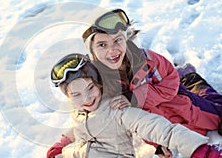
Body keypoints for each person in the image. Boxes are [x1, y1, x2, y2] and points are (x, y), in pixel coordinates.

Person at [48, 53, 222, 158]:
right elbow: (81, 126)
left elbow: (160, 129)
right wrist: (64, 141)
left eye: (90, 88)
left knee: (213, 112)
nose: (86, 99)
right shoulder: (79, 110)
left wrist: (204, 153)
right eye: (76, 95)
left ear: (99, 84)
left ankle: (188, 78)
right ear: (68, 97)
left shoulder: (118, 110)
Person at [80, 8, 222, 135]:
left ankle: (190, 78)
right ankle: (186, 76)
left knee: (214, 118)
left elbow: (170, 84)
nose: (112, 50)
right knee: (186, 135)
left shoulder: (147, 60)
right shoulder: (99, 81)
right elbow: (134, 119)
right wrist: (157, 144)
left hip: (178, 102)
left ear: (126, 38)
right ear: (92, 49)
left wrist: (134, 98)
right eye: (102, 45)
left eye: (117, 40)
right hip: (160, 124)